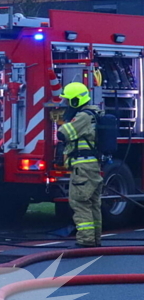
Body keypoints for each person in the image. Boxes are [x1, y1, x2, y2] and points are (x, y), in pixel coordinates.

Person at [57, 82, 102, 247]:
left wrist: (62, 120)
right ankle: (95, 238)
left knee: (80, 202)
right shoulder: (94, 113)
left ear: (76, 101)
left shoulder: (83, 116)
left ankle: (86, 240)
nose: (67, 104)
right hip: (92, 166)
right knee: (93, 204)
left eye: (68, 101)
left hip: (82, 167)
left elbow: (63, 134)